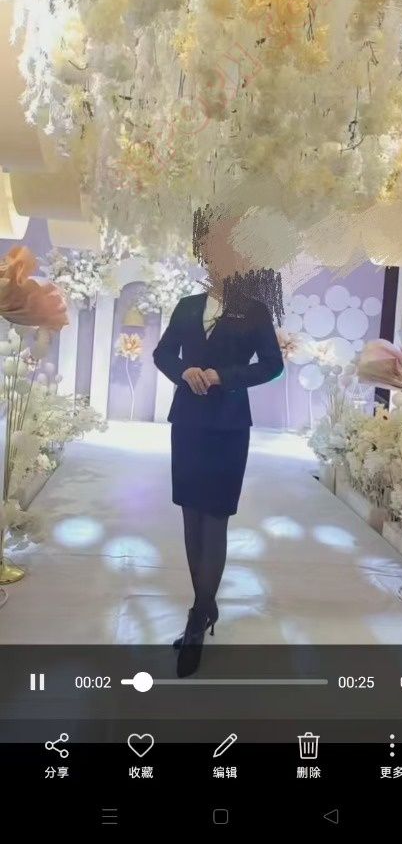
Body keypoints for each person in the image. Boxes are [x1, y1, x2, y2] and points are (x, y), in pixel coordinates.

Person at [152, 209, 284, 677]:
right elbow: (162, 353)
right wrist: (183, 370)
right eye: (210, 247)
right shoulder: (188, 305)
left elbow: (272, 365)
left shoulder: (255, 309)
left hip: (228, 425)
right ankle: (204, 607)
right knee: (191, 515)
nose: (216, 255)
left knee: (215, 518)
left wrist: (224, 376)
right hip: (187, 421)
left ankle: (197, 617)